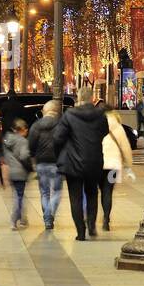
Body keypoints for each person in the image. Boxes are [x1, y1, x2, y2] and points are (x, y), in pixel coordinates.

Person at [54, 86, 109, 240]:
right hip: (94, 161)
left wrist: (60, 153)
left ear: (78, 98)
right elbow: (105, 131)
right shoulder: (100, 114)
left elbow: (58, 138)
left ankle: (80, 232)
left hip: (73, 163)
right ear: (92, 98)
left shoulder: (70, 114)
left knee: (75, 197)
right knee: (92, 193)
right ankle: (91, 225)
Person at [98, 101, 135, 231]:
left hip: (98, 164)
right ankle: (106, 219)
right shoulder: (118, 127)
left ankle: (93, 218)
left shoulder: (95, 125)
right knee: (108, 191)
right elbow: (125, 147)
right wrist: (129, 165)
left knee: (100, 190)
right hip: (113, 165)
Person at [27, 100, 62, 229]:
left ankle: (47, 218)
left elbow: (31, 145)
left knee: (44, 192)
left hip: (41, 163)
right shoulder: (61, 125)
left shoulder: (36, 126)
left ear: (44, 111)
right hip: (57, 163)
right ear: (57, 112)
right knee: (57, 191)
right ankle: (50, 213)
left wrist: (33, 159)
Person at [1, 118, 32, 230]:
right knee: (19, 197)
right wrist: (30, 167)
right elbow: (24, 156)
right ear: (23, 129)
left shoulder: (6, 139)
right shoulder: (23, 141)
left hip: (10, 171)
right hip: (20, 172)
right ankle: (14, 220)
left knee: (18, 195)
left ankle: (22, 218)